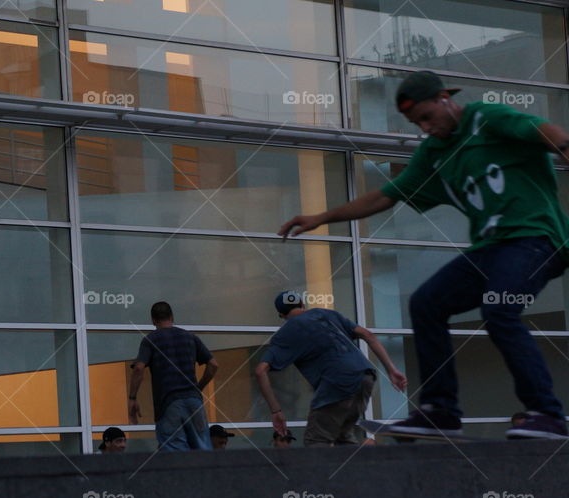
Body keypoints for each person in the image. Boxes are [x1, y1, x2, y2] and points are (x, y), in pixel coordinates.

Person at [280, 70, 569, 439]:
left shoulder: (486, 118)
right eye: (417, 124)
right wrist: (322, 217)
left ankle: (547, 413)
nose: (426, 128)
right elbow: (384, 196)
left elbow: (546, 131)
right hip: (491, 249)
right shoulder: (434, 153)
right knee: (426, 303)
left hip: (538, 240)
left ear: (445, 99)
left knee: (498, 309)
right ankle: (440, 410)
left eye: (428, 118)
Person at [256, 291, 408, 447]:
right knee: (342, 438)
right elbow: (368, 335)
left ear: (282, 315)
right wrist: (391, 370)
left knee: (316, 440)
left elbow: (261, 371)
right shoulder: (327, 314)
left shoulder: (286, 333)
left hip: (337, 382)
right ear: (302, 304)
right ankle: (360, 468)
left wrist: (276, 412)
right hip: (365, 377)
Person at [128, 301, 219, 451]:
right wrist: (199, 387)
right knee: (204, 453)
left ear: (153, 320)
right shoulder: (190, 337)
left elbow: (138, 368)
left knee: (175, 456)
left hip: (168, 403)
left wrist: (132, 398)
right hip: (194, 402)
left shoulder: (150, 340)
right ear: (172, 316)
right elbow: (214, 365)